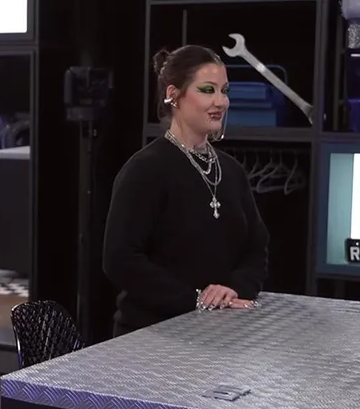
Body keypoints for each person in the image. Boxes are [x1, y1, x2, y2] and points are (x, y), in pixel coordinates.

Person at [103, 45, 269, 337]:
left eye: (224, 91)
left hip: (220, 330)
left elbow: (257, 248)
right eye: (207, 90)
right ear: (173, 94)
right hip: (151, 335)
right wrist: (195, 301)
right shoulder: (145, 170)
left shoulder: (232, 171)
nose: (221, 101)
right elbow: (120, 259)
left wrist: (233, 289)